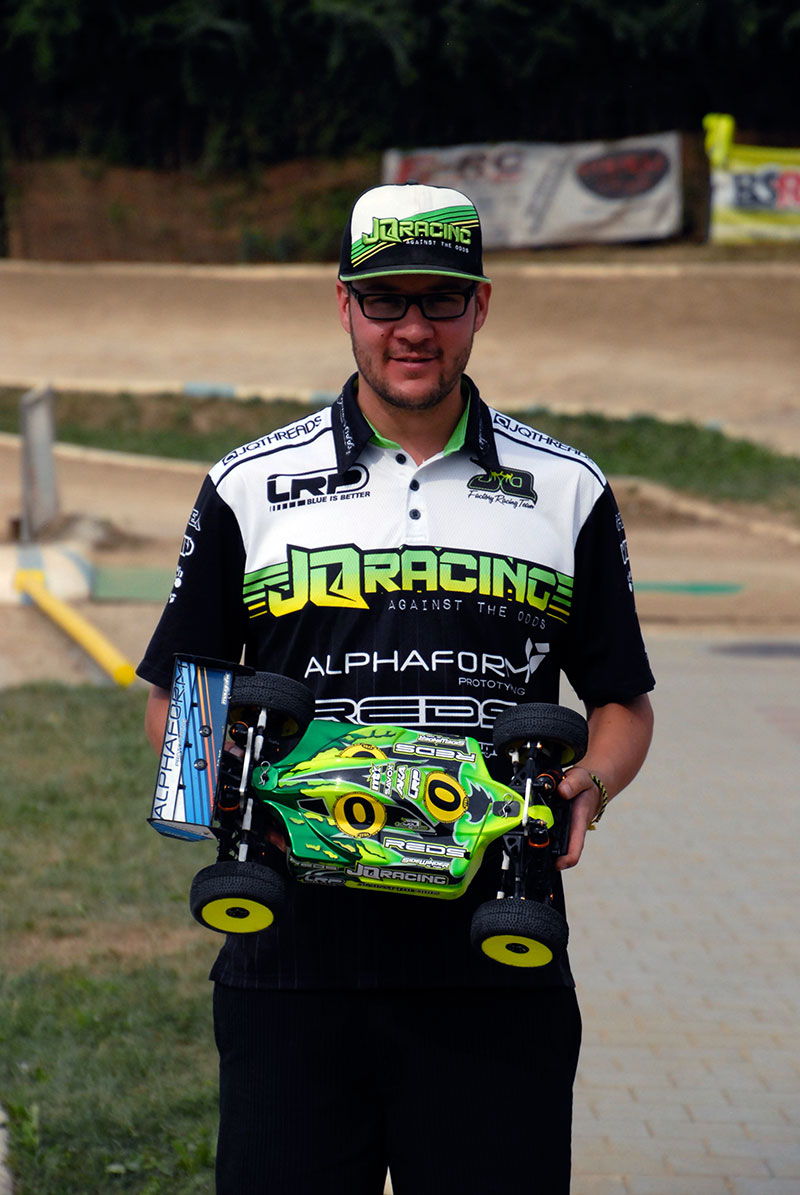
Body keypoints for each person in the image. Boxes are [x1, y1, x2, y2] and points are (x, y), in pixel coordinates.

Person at [139, 181, 654, 1195]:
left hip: (494, 959)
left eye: (440, 299)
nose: (411, 328)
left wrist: (588, 784)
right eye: (384, 300)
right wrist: (212, 786)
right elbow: (180, 689)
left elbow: (621, 702)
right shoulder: (249, 484)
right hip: (289, 960)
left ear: (480, 306)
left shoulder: (566, 489)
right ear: (345, 304)